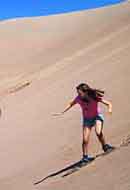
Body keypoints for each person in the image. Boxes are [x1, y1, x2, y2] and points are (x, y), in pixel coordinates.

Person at [53, 83, 113, 163]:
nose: (78, 94)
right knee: (85, 139)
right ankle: (85, 157)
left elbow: (108, 103)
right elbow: (71, 104)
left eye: (79, 93)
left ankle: (105, 146)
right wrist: (62, 112)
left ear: (85, 92)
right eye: (78, 93)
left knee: (98, 132)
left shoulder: (94, 96)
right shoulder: (78, 98)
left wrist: (110, 109)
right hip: (87, 120)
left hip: (97, 117)